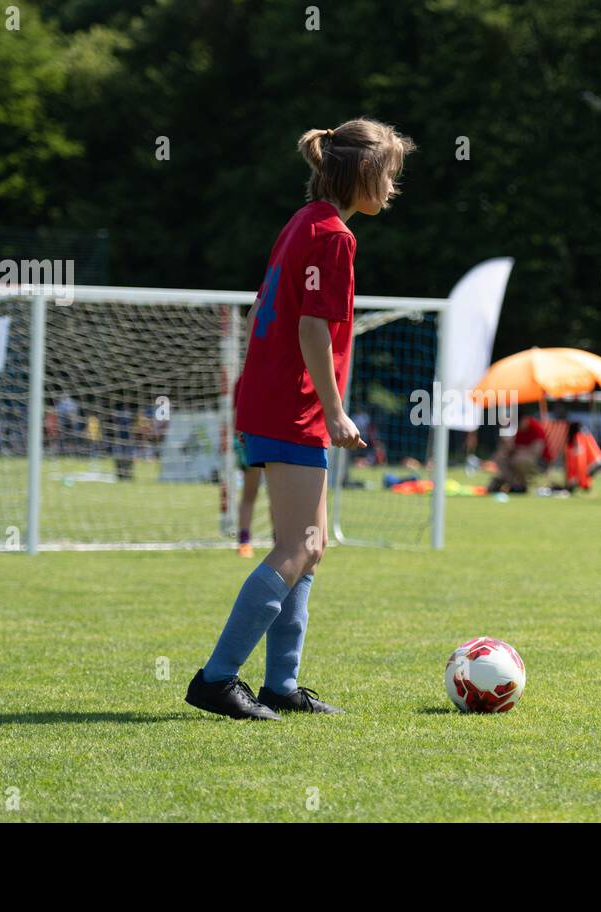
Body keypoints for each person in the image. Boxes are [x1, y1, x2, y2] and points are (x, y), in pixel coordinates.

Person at [186, 118, 415, 722]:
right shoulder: (334, 236)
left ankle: (281, 685)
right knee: (297, 546)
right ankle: (217, 678)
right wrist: (336, 409)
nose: (393, 187)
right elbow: (311, 327)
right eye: (389, 174)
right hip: (291, 405)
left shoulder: (303, 221)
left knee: (310, 549)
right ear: (363, 173)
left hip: (275, 401)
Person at [231, 375, 266, 557]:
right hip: (251, 439)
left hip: (277, 438)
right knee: (250, 493)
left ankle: (280, 541)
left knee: (279, 496)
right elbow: (237, 412)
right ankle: (244, 541)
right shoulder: (245, 379)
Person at [490, 414, 552, 493]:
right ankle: (514, 484)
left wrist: (518, 450)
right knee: (499, 458)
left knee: (519, 459)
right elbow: (506, 448)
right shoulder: (514, 429)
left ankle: (521, 484)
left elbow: (536, 451)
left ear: (525, 420)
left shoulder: (536, 428)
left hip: (540, 462)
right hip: (517, 459)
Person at [564, 420, 601, 492]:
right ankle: (584, 485)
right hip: (598, 460)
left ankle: (581, 485)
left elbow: (580, 460)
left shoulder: (578, 437)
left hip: (595, 462)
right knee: (582, 480)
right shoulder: (585, 434)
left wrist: (573, 478)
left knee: (578, 480)